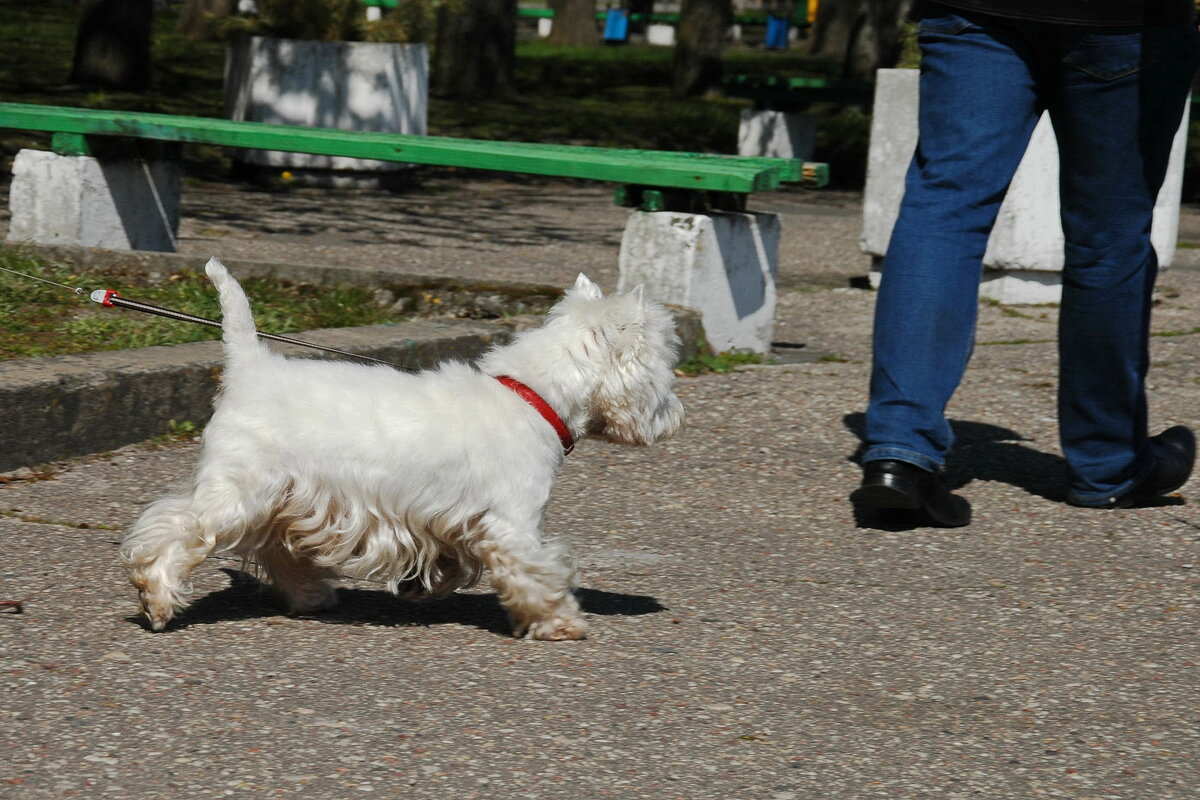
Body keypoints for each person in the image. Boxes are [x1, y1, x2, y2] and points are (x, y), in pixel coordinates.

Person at [856, 0, 1199, 527]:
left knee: (944, 211)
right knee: (1108, 238)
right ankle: (1107, 465)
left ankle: (899, 450)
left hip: (977, 11)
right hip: (1124, 20)